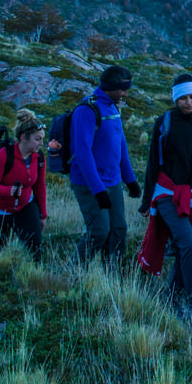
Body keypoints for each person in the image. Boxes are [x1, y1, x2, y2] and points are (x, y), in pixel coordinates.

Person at [139, 75, 192, 310]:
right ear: (175, 98)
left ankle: (170, 301)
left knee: (184, 249)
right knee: (188, 244)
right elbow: (153, 163)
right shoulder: (164, 122)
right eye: (183, 98)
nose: (188, 103)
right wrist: (146, 200)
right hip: (167, 192)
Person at [67, 65, 140, 262]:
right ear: (110, 87)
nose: (126, 93)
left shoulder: (113, 107)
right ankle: (75, 273)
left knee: (118, 230)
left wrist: (130, 180)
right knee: (99, 231)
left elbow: (120, 145)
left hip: (113, 181)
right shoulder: (86, 110)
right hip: (88, 184)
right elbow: (82, 154)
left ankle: (110, 277)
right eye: (123, 89)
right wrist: (98, 191)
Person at [0, 111, 50, 258]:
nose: (41, 144)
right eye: (38, 139)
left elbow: (39, 186)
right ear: (24, 137)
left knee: (35, 250)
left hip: (24, 206)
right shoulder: (3, 155)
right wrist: (9, 191)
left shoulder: (39, 157)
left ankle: (34, 277)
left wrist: (42, 214)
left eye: (42, 139)